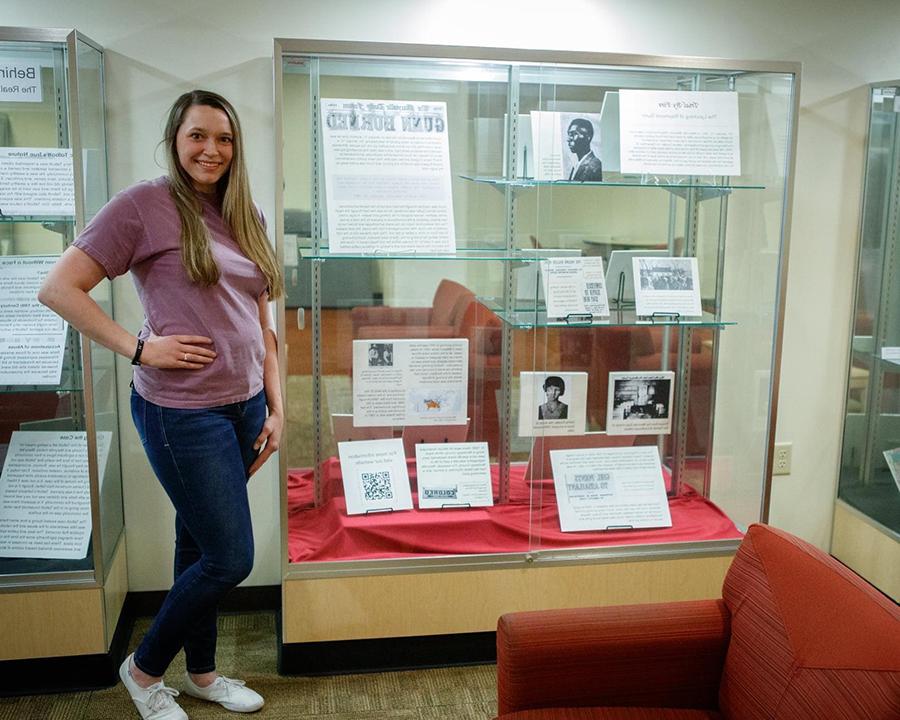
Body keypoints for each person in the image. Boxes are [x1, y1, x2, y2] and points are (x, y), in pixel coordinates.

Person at [38, 89, 283, 719]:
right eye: (198, 136)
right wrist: (140, 349)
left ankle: (201, 673)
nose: (212, 149)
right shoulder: (143, 206)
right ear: (175, 140)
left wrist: (276, 407)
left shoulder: (243, 210)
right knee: (230, 558)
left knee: (198, 545)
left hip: (246, 405)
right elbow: (59, 288)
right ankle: (144, 671)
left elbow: (261, 319)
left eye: (224, 138)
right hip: (183, 414)